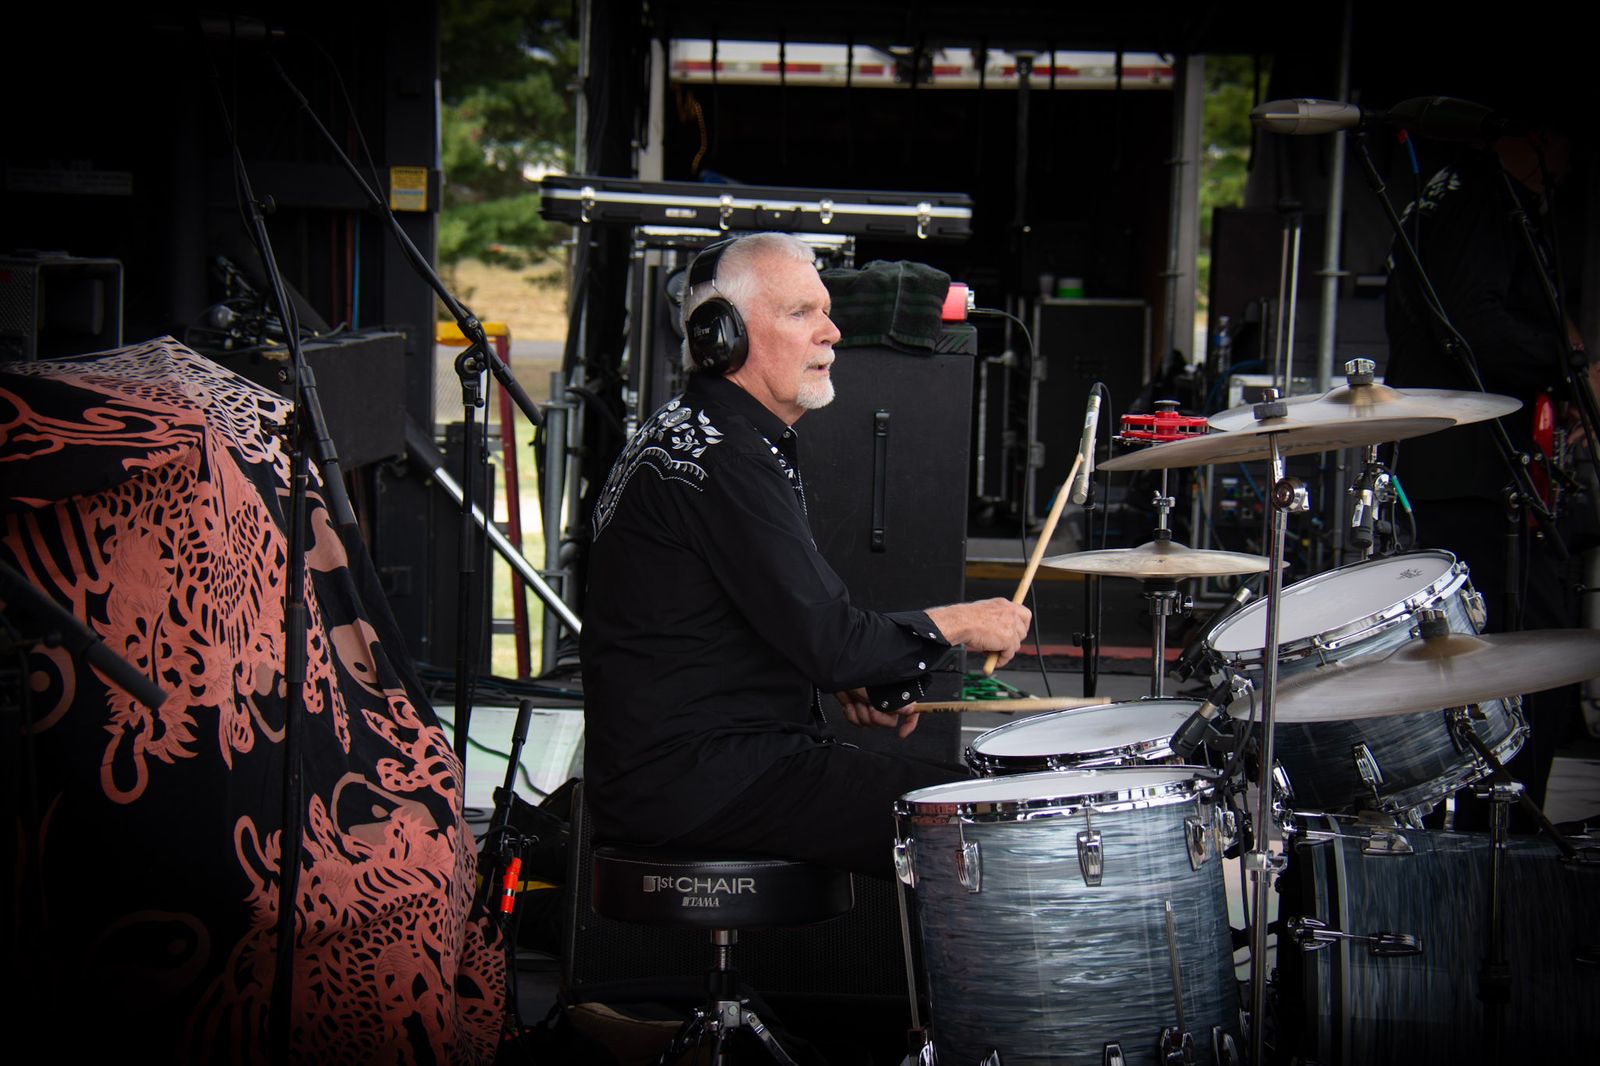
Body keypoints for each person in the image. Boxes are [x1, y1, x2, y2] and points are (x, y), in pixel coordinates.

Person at [579, 233, 1030, 877]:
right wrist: (964, 622)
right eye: (800, 313)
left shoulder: (685, 429)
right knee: (993, 822)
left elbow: (728, 618)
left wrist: (848, 675)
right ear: (722, 336)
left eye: (826, 311)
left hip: (672, 772)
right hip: (709, 781)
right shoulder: (728, 458)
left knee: (962, 802)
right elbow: (831, 642)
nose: (832, 333)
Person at [1384, 125, 1599, 827]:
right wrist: (1571, 370)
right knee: (1525, 660)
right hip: (1482, 474)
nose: (1567, 164)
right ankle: (1503, 839)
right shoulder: (1481, 199)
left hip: (1468, 466)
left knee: (1498, 658)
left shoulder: (1450, 196)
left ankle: (1494, 832)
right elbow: (1471, 321)